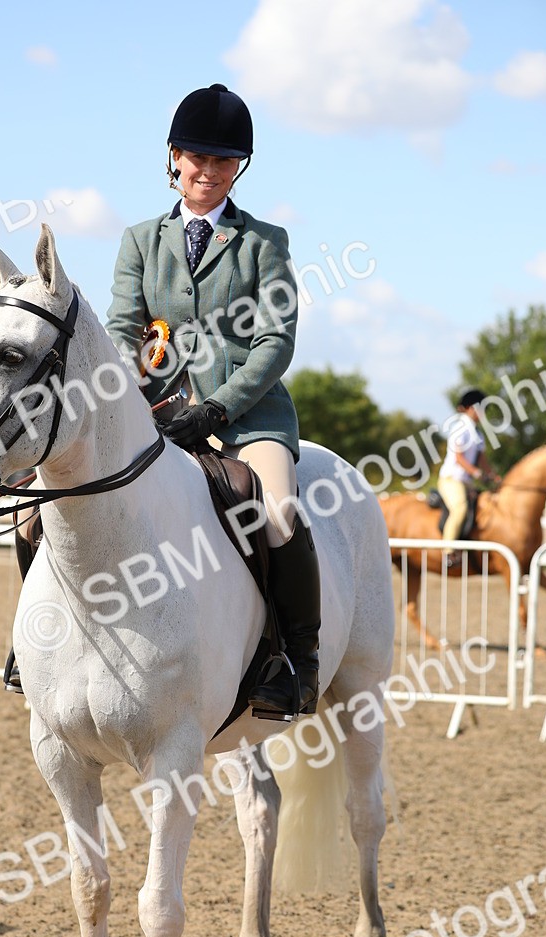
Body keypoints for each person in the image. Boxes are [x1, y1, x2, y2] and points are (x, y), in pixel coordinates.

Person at [104, 82, 319, 718]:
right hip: (159, 416)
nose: (208, 171)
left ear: (238, 167)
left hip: (247, 419)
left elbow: (276, 340)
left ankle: (296, 664)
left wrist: (220, 407)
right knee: (49, 503)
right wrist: (134, 393)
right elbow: (123, 331)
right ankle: (32, 649)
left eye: (223, 161)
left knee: (277, 514)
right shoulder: (141, 240)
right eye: (197, 157)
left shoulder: (263, 241)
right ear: (174, 157)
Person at [436, 388, 496, 569]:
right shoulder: (460, 428)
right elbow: (459, 458)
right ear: (471, 408)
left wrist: (493, 476)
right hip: (451, 480)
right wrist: (477, 473)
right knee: (460, 508)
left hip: (466, 482)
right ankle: (448, 551)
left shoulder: (478, 433)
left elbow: (482, 461)